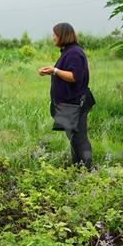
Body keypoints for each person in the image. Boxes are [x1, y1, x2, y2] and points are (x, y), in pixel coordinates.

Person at [39, 22, 94, 169]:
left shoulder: (74, 52)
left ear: (62, 36)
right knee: (74, 138)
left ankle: (87, 170)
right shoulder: (68, 51)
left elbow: (74, 76)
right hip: (70, 103)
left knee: (79, 138)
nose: (53, 38)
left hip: (76, 103)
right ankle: (78, 168)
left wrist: (55, 70)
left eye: (54, 35)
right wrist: (52, 71)